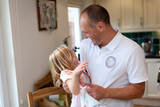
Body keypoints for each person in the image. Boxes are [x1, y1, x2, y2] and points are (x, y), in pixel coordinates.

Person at [63, 4, 148, 107]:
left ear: (100, 26)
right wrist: (72, 84)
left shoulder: (132, 50)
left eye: (86, 32)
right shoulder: (85, 45)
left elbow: (139, 90)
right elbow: (84, 75)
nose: (85, 37)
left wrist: (105, 93)